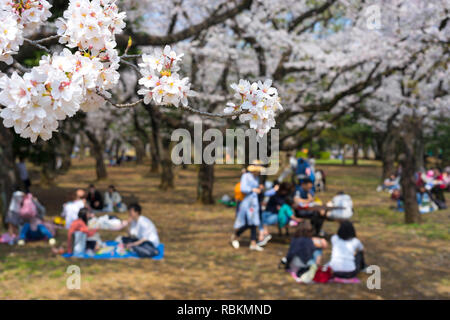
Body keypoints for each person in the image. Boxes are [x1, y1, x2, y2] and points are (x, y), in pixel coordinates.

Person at [231, 161, 265, 251]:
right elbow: (243, 189)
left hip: (254, 203)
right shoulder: (246, 176)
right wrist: (253, 190)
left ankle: (253, 243)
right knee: (246, 223)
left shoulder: (256, 178)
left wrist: (259, 189)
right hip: (245, 203)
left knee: (254, 223)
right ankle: (236, 235)